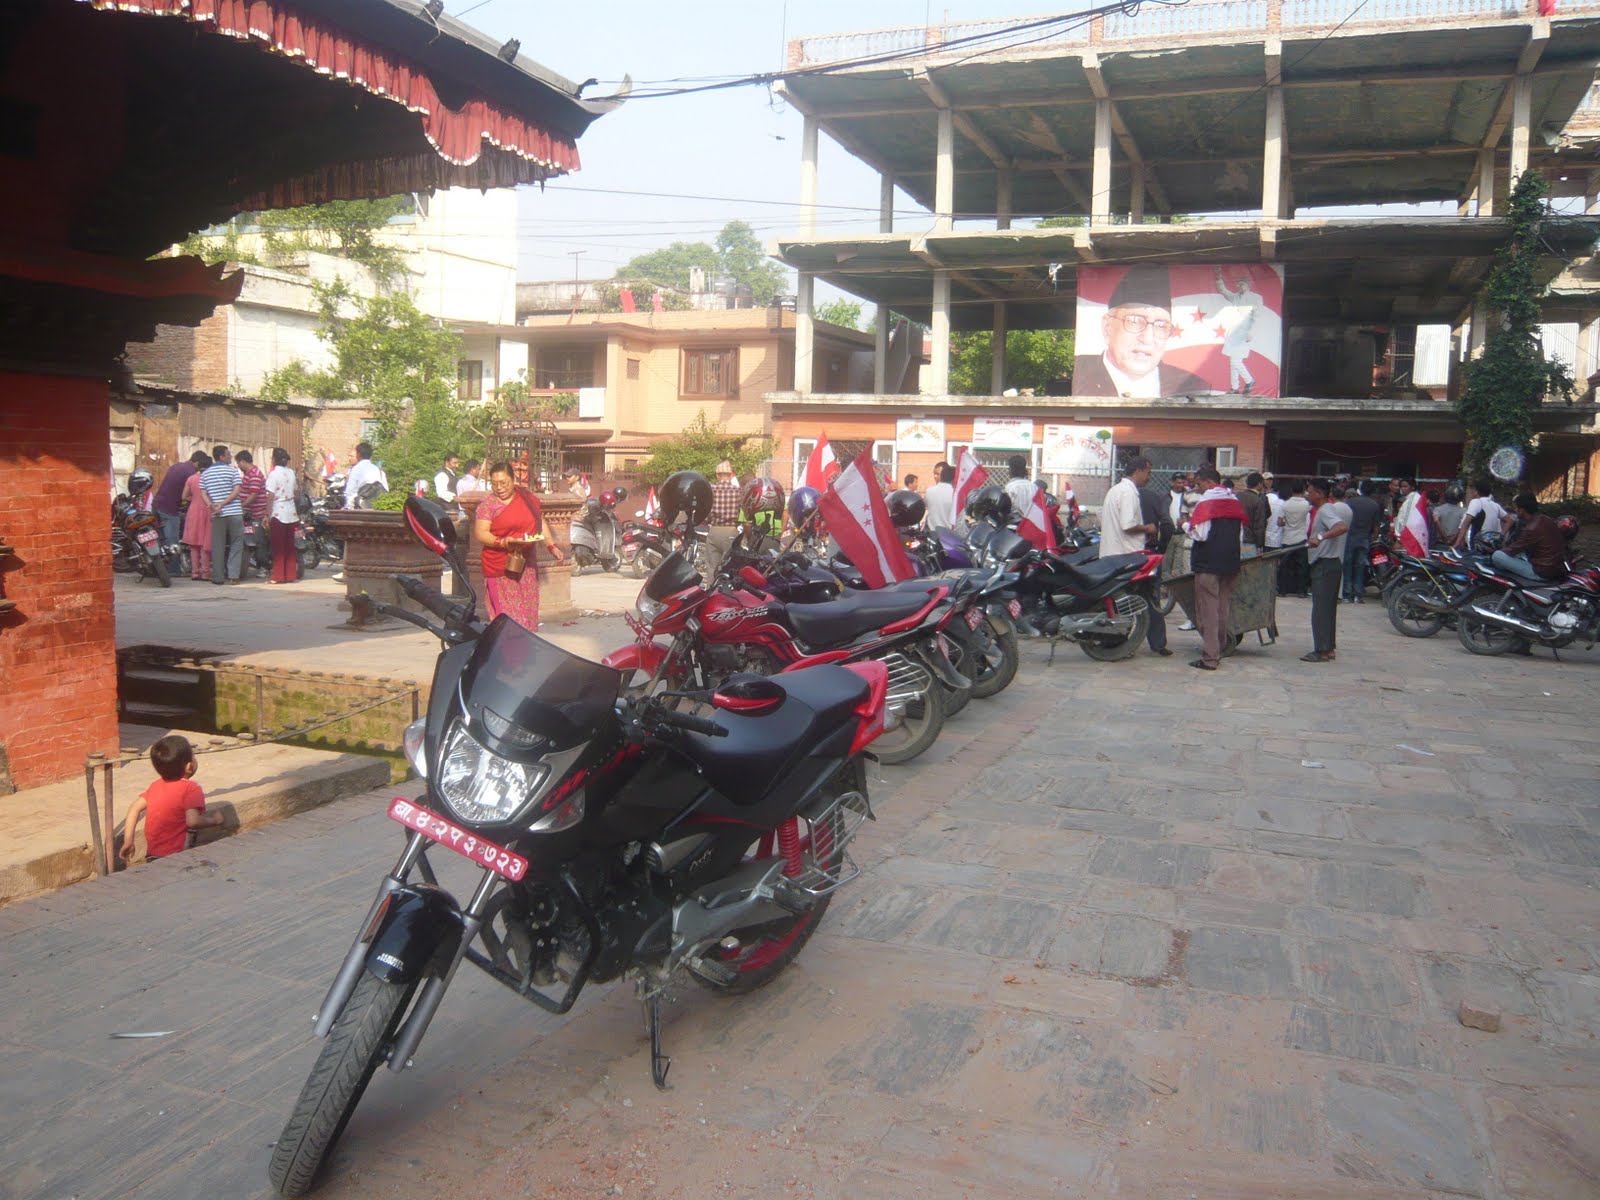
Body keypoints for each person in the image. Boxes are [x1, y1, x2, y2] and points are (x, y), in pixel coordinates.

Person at [1071, 269, 1211, 397]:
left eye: (1161, 326)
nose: (1148, 338)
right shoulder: (1080, 374)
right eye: (1135, 321)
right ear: (1107, 327)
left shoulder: (1192, 386)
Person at [473, 460, 566, 630]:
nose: (499, 488)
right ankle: (507, 651)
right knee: (510, 617)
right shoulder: (488, 505)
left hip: (526, 562)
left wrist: (551, 546)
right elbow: (481, 533)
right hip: (499, 565)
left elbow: (540, 521)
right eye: (494, 484)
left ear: (513, 480)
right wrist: (502, 542)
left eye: (503, 483)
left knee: (528, 613)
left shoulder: (526, 497)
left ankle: (525, 651)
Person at [119, 735, 223, 863]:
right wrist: (214, 820)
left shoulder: (155, 786)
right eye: (193, 756)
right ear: (189, 766)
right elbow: (193, 821)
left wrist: (129, 840)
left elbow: (134, 808)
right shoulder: (191, 788)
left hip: (152, 855)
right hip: (178, 856)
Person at [1185, 465, 1246, 671]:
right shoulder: (1234, 499)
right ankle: (1219, 646)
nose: (1199, 488)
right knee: (1222, 608)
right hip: (1230, 562)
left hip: (1208, 561)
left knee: (1207, 610)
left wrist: (1185, 526)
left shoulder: (1207, 500)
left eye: (1200, 484)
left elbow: (1200, 534)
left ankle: (1210, 657)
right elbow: (1240, 534)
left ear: (1209, 482)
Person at [1303, 478, 1351, 663]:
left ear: (1319, 494)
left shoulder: (1326, 510)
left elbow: (1341, 527)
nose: (1307, 495)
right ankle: (1328, 648)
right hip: (1328, 564)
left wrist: (1321, 537)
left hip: (1325, 565)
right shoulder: (1324, 510)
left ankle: (1322, 650)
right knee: (1328, 610)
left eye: (1310, 492)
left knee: (1321, 610)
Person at [1137, 468, 1175, 657]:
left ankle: (1122, 639)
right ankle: (1158, 643)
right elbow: (1168, 525)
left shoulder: (1117, 494)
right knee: (1152, 597)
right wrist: (1162, 548)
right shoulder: (1154, 497)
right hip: (1150, 554)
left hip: (1125, 554)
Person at [1493, 494, 1568, 582]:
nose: (1515, 510)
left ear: (1521, 510)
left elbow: (1513, 549)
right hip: (1557, 567)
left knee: (1497, 556)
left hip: (1542, 572)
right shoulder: (1546, 519)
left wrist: (1498, 549)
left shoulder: (1531, 528)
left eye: (1516, 508)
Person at [1214, 266, 1264, 394]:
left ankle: (1249, 380)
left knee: (1236, 361)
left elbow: (1257, 316)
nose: (1239, 286)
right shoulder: (1236, 297)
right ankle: (1235, 388)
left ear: (1248, 285)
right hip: (1234, 333)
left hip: (1245, 333)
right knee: (1233, 362)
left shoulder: (1255, 298)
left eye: (1242, 284)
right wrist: (1219, 278)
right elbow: (1224, 291)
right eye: (1238, 284)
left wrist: (1251, 332)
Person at [199, 444, 244, 584]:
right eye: (228, 454)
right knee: (236, 543)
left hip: (217, 514)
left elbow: (203, 493)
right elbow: (236, 491)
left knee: (217, 545)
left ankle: (218, 577)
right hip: (234, 512)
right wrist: (223, 504)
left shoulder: (205, 474)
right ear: (221, 457)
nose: (230, 456)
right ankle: (233, 576)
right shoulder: (232, 471)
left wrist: (211, 506)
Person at [1100, 457, 1157, 558]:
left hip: (1112, 554)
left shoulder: (1116, 489)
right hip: (1124, 556)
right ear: (1138, 471)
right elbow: (1128, 525)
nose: (1149, 477)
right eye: (1148, 473)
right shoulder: (1128, 492)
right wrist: (1147, 528)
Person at [1341, 480, 1382, 603]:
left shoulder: (1350, 502)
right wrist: (1373, 539)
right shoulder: (1374, 505)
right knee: (1360, 567)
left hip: (1349, 538)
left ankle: (1347, 593)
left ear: (1361, 489)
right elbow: (1376, 527)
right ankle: (1358, 594)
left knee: (1347, 566)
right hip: (1364, 539)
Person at [264, 447, 300, 584]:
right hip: (291, 510)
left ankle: (278, 576)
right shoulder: (291, 473)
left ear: (274, 460)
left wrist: (267, 513)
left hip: (278, 511)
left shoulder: (274, 474)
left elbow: (270, 495)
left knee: (278, 546)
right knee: (289, 545)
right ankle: (290, 575)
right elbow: (297, 493)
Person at [152, 451, 202, 548]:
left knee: (161, 541)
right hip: (169, 509)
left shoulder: (177, 465)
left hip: (156, 505)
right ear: (197, 463)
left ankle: (161, 562)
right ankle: (174, 563)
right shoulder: (191, 472)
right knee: (173, 543)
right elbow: (193, 494)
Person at [181, 451, 213, 581]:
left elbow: (183, 497)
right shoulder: (211, 479)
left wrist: (193, 498)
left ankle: (195, 573)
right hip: (208, 510)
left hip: (193, 510)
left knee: (194, 544)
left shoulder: (191, 479)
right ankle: (206, 573)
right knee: (205, 543)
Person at [1278, 480, 1311, 597]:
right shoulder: (1306, 505)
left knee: (1284, 566)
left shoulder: (1285, 504)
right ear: (1303, 490)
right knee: (1302, 566)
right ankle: (1301, 591)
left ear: (1291, 490)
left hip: (1287, 539)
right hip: (1301, 538)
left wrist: (1286, 523)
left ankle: (1282, 590)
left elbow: (1280, 522)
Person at [1455, 479, 1506, 550]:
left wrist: (1457, 543)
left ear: (1476, 491)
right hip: (1491, 545)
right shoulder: (1495, 505)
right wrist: (1502, 534)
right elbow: (1509, 520)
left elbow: (1466, 524)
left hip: (1477, 544)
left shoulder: (1476, 502)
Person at [344, 442, 387, 509]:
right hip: (378, 507)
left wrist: (348, 507)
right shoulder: (379, 470)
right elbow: (386, 489)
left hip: (361, 508)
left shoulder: (356, 469)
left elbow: (350, 492)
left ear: (358, 454)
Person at [1237, 472, 1268, 557]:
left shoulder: (1238, 497)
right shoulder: (1258, 501)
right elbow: (1259, 526)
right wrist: (1260, 545)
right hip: (1251, 542)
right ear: (1259, 484)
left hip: (1236, 539)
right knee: (1250, 568)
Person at [923, 462, 956, 531]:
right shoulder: (955, 494)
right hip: (949, 535)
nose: (935, 476)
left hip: (933, 534)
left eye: (938, 474)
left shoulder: (929, 491)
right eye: (934, 474)